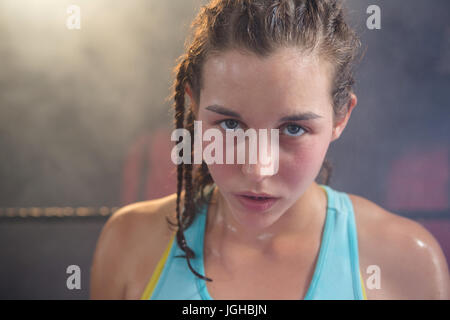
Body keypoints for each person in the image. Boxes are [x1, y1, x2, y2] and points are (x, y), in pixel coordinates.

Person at [90, 0, 450, 300]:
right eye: (230, 125)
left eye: (293, 129)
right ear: (194, 108)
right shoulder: (129, 244)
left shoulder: (407, 264)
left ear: (341, 118)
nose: (257, 169)